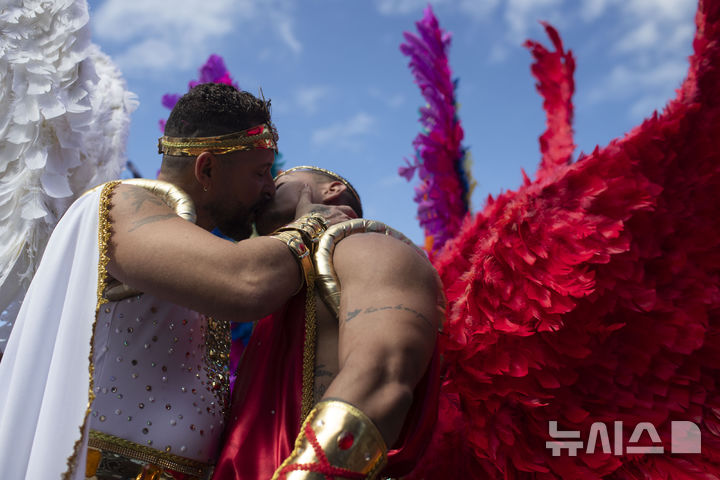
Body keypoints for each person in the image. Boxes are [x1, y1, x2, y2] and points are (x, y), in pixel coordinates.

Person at [0, 85, 354, 480]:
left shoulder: (197, 244)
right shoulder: (119, 204)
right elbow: (246, 283)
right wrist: (313, 223)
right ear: (206, 169)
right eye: (260, 172)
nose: (269, 187)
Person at [213, 166, 444, 480]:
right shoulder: (277, 288)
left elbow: (382, 376)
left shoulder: (367, 245)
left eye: (279, 181)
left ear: (333, 189)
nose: (265, 187)